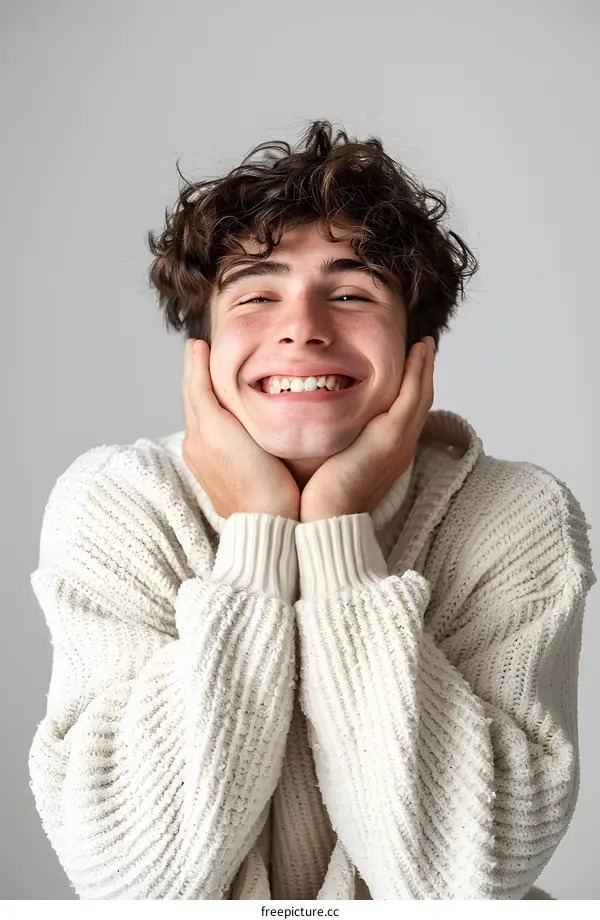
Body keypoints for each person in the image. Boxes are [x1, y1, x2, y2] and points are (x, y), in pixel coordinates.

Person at [28, 120, 596, 900]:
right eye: (258, 294)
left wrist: (334, 535)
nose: (302, 326)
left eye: (351, 292)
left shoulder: (513, 516)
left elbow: (461, 887)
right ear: (203, 353)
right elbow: (134, 876)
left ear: (417, 351)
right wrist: (260, 533)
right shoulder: (119, 505)